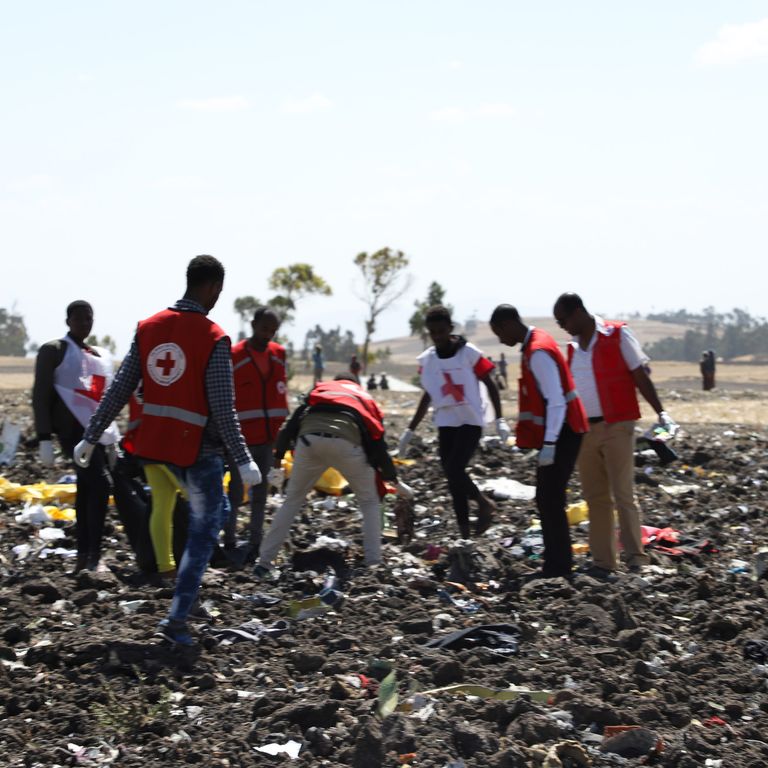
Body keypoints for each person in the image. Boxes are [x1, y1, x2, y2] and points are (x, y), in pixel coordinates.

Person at [74, 255, 261, 646]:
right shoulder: (214, 338)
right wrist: (244, 459)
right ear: (212, 288)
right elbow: (223, 408)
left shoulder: (148, 328)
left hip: (155, 447)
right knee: (204, 533)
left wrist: (90, 435)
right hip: (199, 451)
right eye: (218, 292)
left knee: (211, 513)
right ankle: (177, 619)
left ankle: (186, 600)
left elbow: (120, 388)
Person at [553, 292, 677, 577]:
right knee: (596, 497)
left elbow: (639, 375)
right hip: (585, 429)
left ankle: (635, 557)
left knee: (623, 493)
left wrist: (661, 412)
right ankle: (603, 561)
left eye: (563, 320)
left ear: (578, 312)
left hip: (618, 424)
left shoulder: (617, 335)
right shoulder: (572, 349)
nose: (562, 327)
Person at [254, 375, 412, 574]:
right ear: (355, 384)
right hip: (346, 443)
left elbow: (288, 428)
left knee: (292, 501)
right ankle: (373, 563)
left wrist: (277, 465)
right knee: (369, 501)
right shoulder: (361, 397)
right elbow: (377, 442)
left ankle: (264, 563)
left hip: (309, 441)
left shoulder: (321, 392)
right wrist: (393, 479)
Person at [490, 305, 588, 579]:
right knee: (549, 499)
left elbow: (556, 401)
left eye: (499, 332)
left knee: (549, 499)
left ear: (509, 324)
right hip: (563, 431)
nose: (499, 339)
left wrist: (550, 444)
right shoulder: (535, 344)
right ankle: (557, 563)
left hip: (564, 431)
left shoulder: (537, 352)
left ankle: (558, 567)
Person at [398, 305, 509, 538]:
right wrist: (409, 430)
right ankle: (464, 533)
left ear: (450, 328)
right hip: (446, 421)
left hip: (470, 420)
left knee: (454, 468)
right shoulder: (428, 360)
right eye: (433, 332)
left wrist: (499, 419)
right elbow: (428, 394)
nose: (437, 337)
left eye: (441, 331)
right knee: (452, 476)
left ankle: (484, 504)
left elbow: (489, 383)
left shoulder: (469, 353)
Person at [32, 300, 120, 572]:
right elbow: (41, 394)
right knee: (101, 485)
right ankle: (93, 554)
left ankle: (85, 555)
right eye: (79, 319)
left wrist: (112, 437)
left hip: (97, 434)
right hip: (71, 433)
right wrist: (44, 437)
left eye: (89, 319)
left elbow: (103, 398)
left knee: (87, 491)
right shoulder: (54, 351)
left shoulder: (99, 356)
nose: (85, 323)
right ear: (68, 321)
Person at [225, 306, 288, 561]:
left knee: (260, 493)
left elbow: (280, 394)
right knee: (236, 490)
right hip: (240, 438)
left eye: (273, 331)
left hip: (267, 437)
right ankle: (228, 539)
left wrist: (281, 435)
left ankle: (255, 541)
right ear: (253, 325)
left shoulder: (278, 354)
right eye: (264, 329)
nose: (268, 335)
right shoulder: (234, 355)